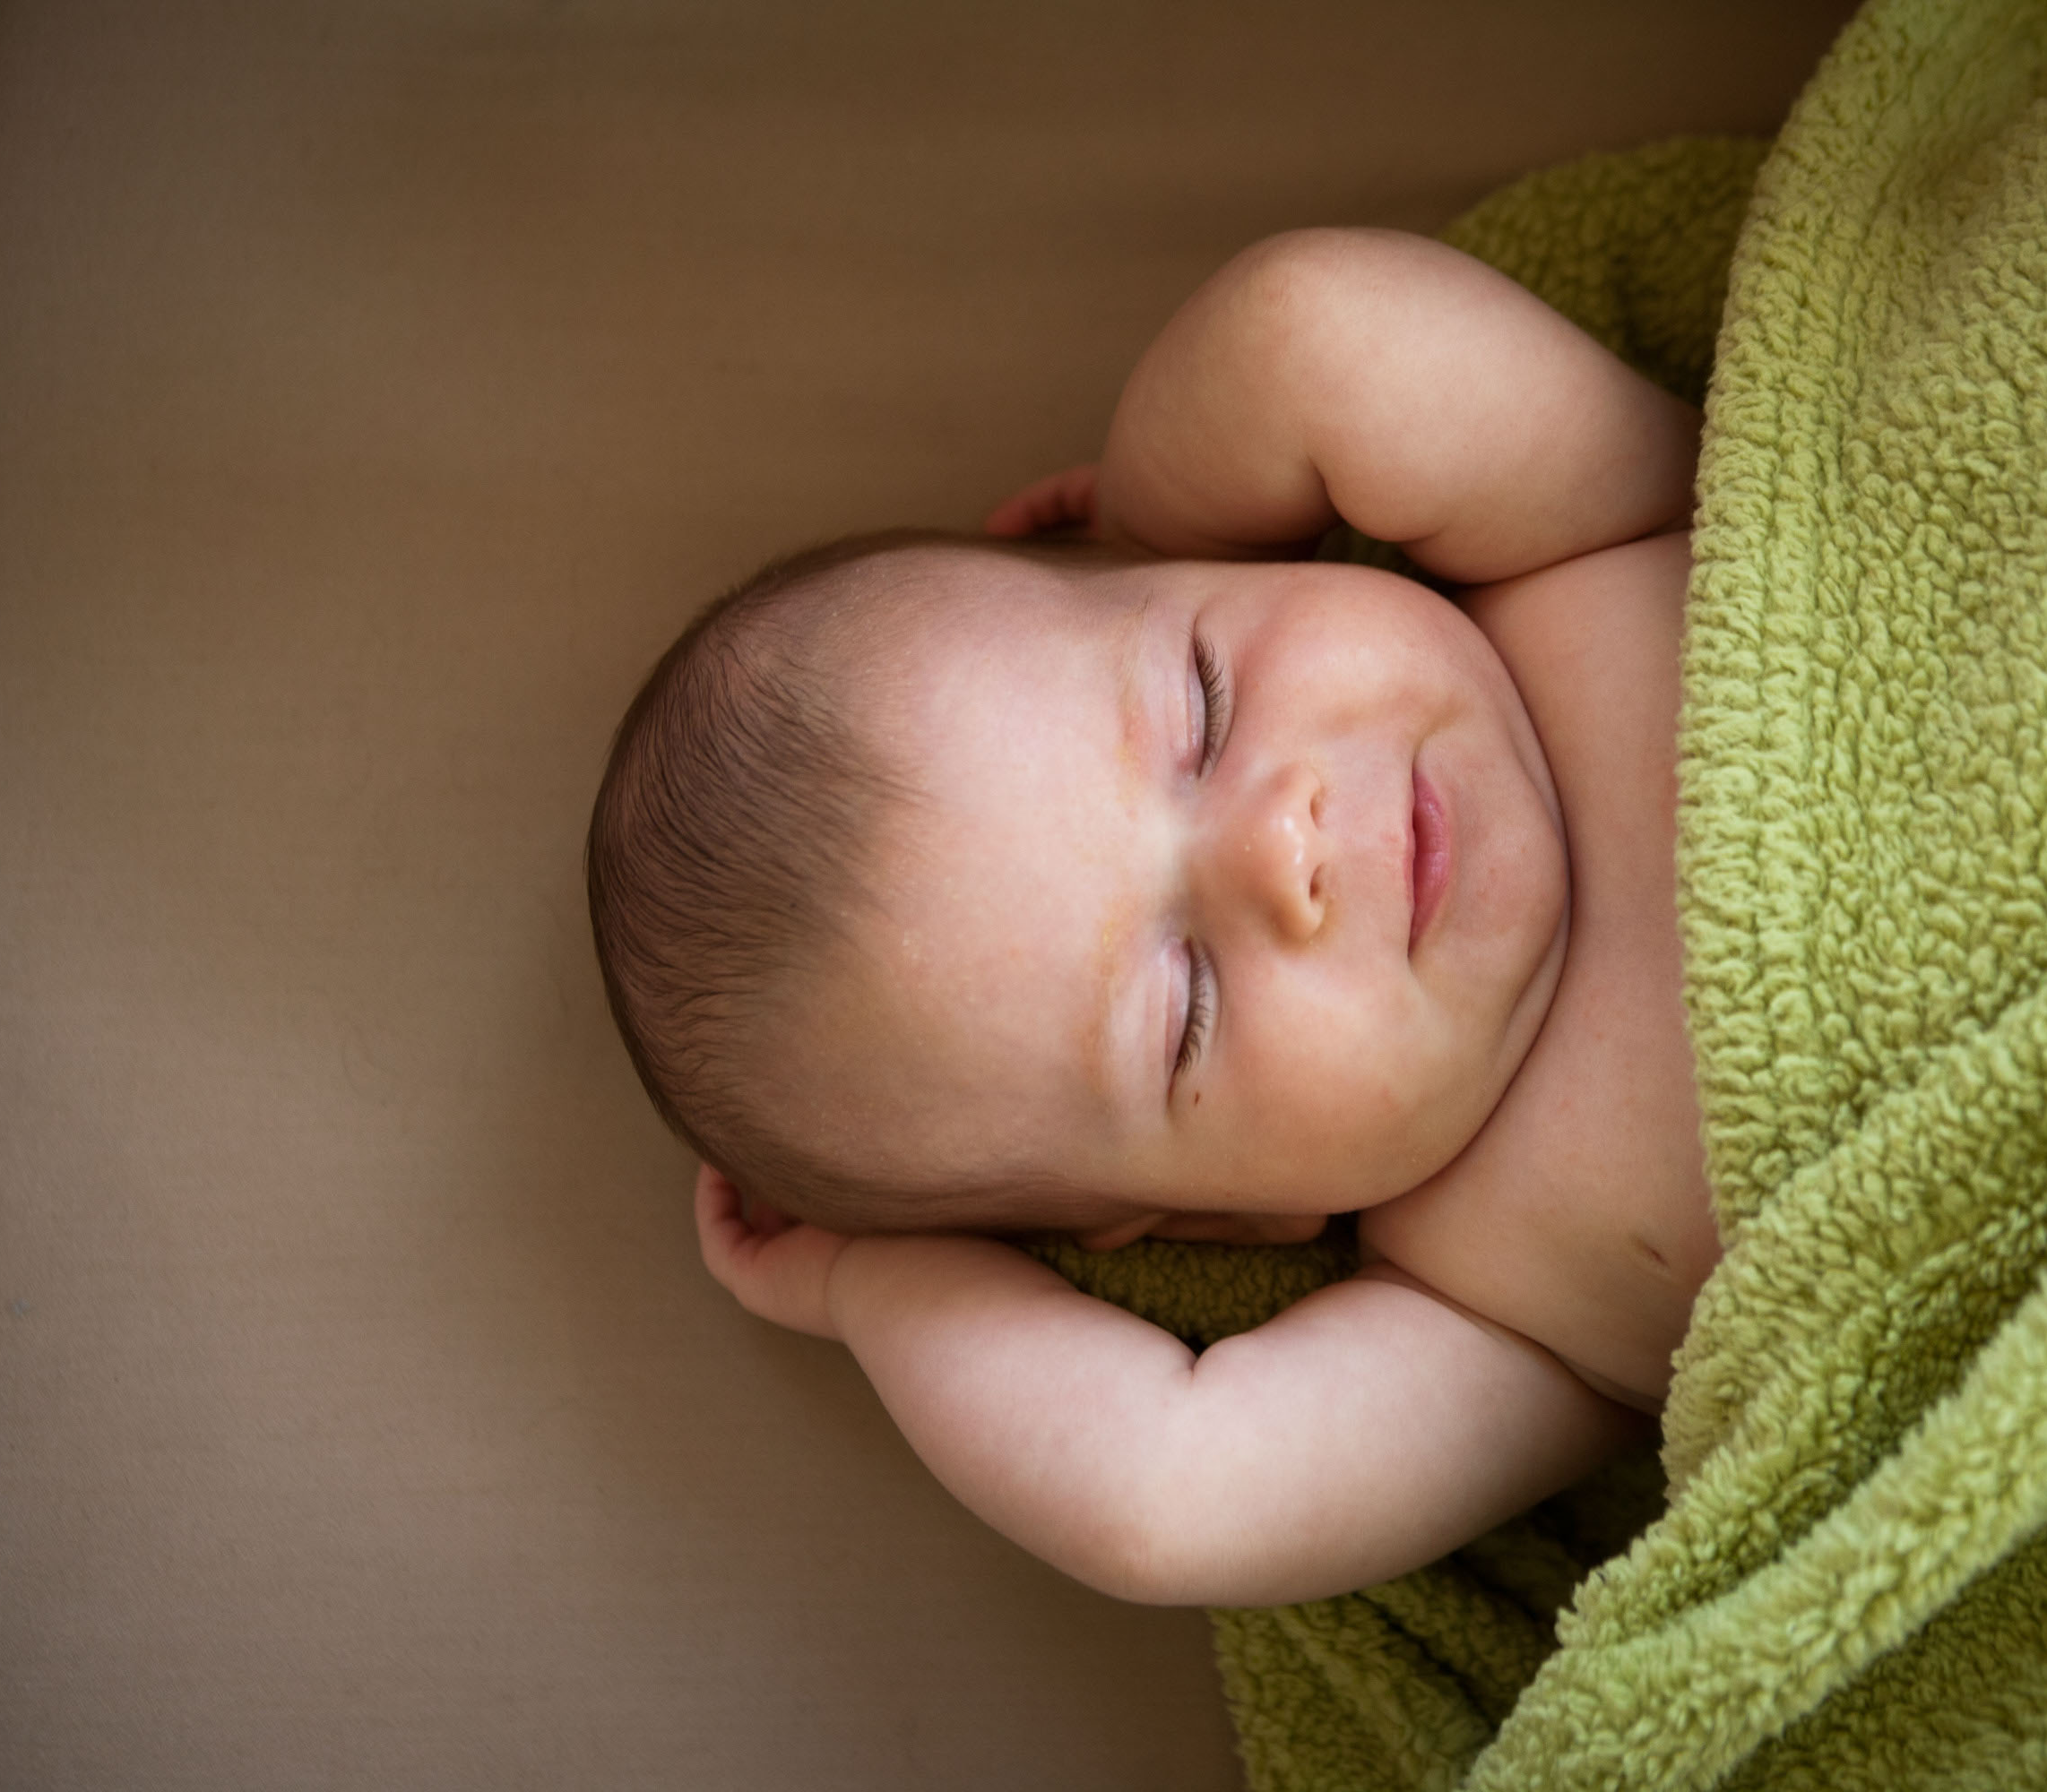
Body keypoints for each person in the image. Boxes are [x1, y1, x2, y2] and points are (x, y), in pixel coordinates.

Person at [587, 226, 1719, 1607]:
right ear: (1234, 1224)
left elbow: (1309, 330)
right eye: (1186, 1007)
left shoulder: (1589, 534)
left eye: (1204, 705)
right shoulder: (1491, 1309)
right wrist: (872, 1292)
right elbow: (1163, 1505)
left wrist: (1159, 512)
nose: (1278, 846)